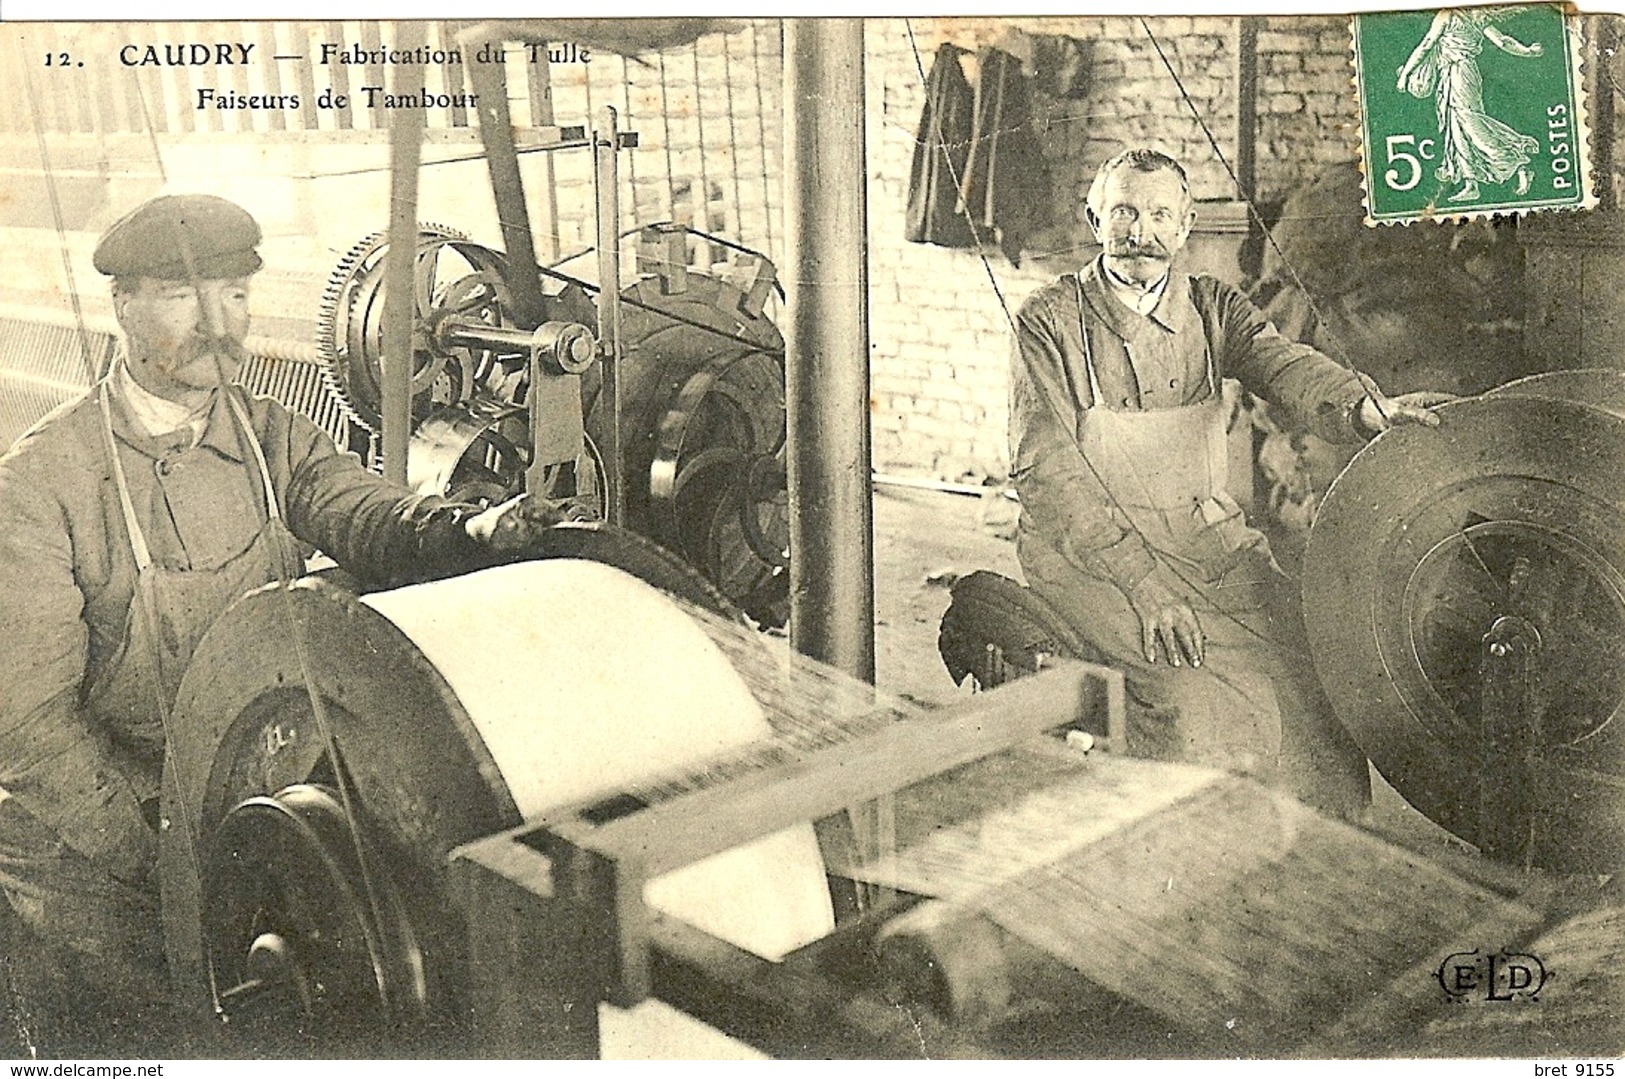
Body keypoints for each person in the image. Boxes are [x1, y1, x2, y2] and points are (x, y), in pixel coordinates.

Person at [0, 195, 560, 1054]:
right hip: (92, 847)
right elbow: (30, 731)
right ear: (122, 307)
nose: (219, 324)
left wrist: (465, 529)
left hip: (229, 796)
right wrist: (177, 859)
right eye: (186, 297)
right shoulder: (42, 486)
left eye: (234, 296)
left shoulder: (271, 435)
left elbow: (363, 513)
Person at [1010, 149, 1450, 819]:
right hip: (1089, 561)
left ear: (1184, 226)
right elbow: (1046, 471)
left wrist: (1362, 406)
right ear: (1094, 218)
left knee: (1318, 677)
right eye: (1124, 211)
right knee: (1190, 702)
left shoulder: (1214, 306)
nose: (1141, 232)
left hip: (1203, 540)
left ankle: (1315, 868)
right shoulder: (1045, 323)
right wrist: (1145, 586)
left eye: (1160, 214)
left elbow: (1282, 362)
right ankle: (1191, 878)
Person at [1396, 8, 1543, 203]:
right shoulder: (1478, 16)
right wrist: (1528, 51)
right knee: (1457, 128)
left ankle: (1516, 163)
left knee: (1471, 125)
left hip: (1459, 73)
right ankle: (1471, 183)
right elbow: (1502, 41)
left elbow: (1426, 44)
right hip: (1460, 73)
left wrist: (1406, 74)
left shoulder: (1448, 15)